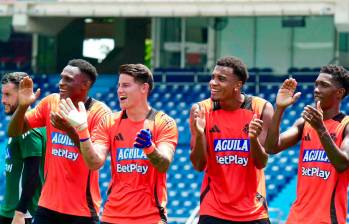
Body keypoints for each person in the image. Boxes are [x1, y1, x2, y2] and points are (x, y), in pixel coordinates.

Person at [58, 63, 178, 224]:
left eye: (126, 85)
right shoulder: (109, 122)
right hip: (112, 216)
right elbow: (94, 162)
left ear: (144, 88)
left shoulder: (164, 123)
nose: (120, 90)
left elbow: (164, 164)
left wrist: (149, 148)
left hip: (150, 218)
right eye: (119, 85)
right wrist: (82, 131)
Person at [7, 59, 111, 224]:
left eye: (68, 79)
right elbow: (13, 131)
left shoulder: (100, 114)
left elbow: (95, 162)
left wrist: (70, 130)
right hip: (47, 206)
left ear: (85, 84)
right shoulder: (51, 103)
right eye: (62, 77)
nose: (61, 83)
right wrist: (23, 107)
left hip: (82, 211)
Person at [189, 56, 273, 224]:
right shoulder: (200, 110)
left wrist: (253, 139)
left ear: (238, 85)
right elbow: (198, 165)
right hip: (213, 210)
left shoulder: (261, 108)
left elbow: (261, 162)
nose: (213, 83)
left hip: (253, 211)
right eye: (213, 77)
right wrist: (199, 134)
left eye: (221, 79)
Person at [265, 65, 349, 223]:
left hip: (327, 219)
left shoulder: (345, 125)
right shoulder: (305, 123)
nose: (317, 89)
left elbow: (342, 164)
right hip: (296, 217)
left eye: (324, 85)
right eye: (316, 84)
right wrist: (280, 109)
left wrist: (321, 129)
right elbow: (271, 147)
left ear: (339, 93)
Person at [0, 72, 46, 224]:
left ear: (22, 94)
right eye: (2, 95)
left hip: (21, 215)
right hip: (9, 210)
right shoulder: (18, 125)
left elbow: (33, 173)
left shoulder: (29, 128)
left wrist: (20, 213)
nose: (3, 100)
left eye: (7, 95)